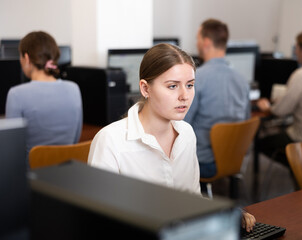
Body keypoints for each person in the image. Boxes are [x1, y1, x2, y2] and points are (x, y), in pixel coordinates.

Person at [88, 43, 255, 232]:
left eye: (190, 85)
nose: (185, 95)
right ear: (145, 89)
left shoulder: (186, 133)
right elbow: (99, 223)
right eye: (173, 86)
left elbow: (191, 199)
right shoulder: (111, 140)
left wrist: (225, 216)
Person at [184, 18, 251, 178]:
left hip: (204, 162)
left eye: (197, 39)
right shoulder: (242, 80)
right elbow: (246, 120)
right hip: (235, 160)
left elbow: (182, 125)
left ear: (206, 42)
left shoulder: (197, 79)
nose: (196, 44)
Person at [5, 31, 82, 160]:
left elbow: (11, 148)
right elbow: (75, 139)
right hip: (66, 173)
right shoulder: (74, 89)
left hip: (30, 176)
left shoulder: (16, 94)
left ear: (27, 58)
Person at [255, 30, 302, 166]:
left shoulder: (301, 74)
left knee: (262, 143)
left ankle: (297, 166)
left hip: (301, 138)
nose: (295, 52)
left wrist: (268, 107)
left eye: (296, 48)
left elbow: (280, 111)